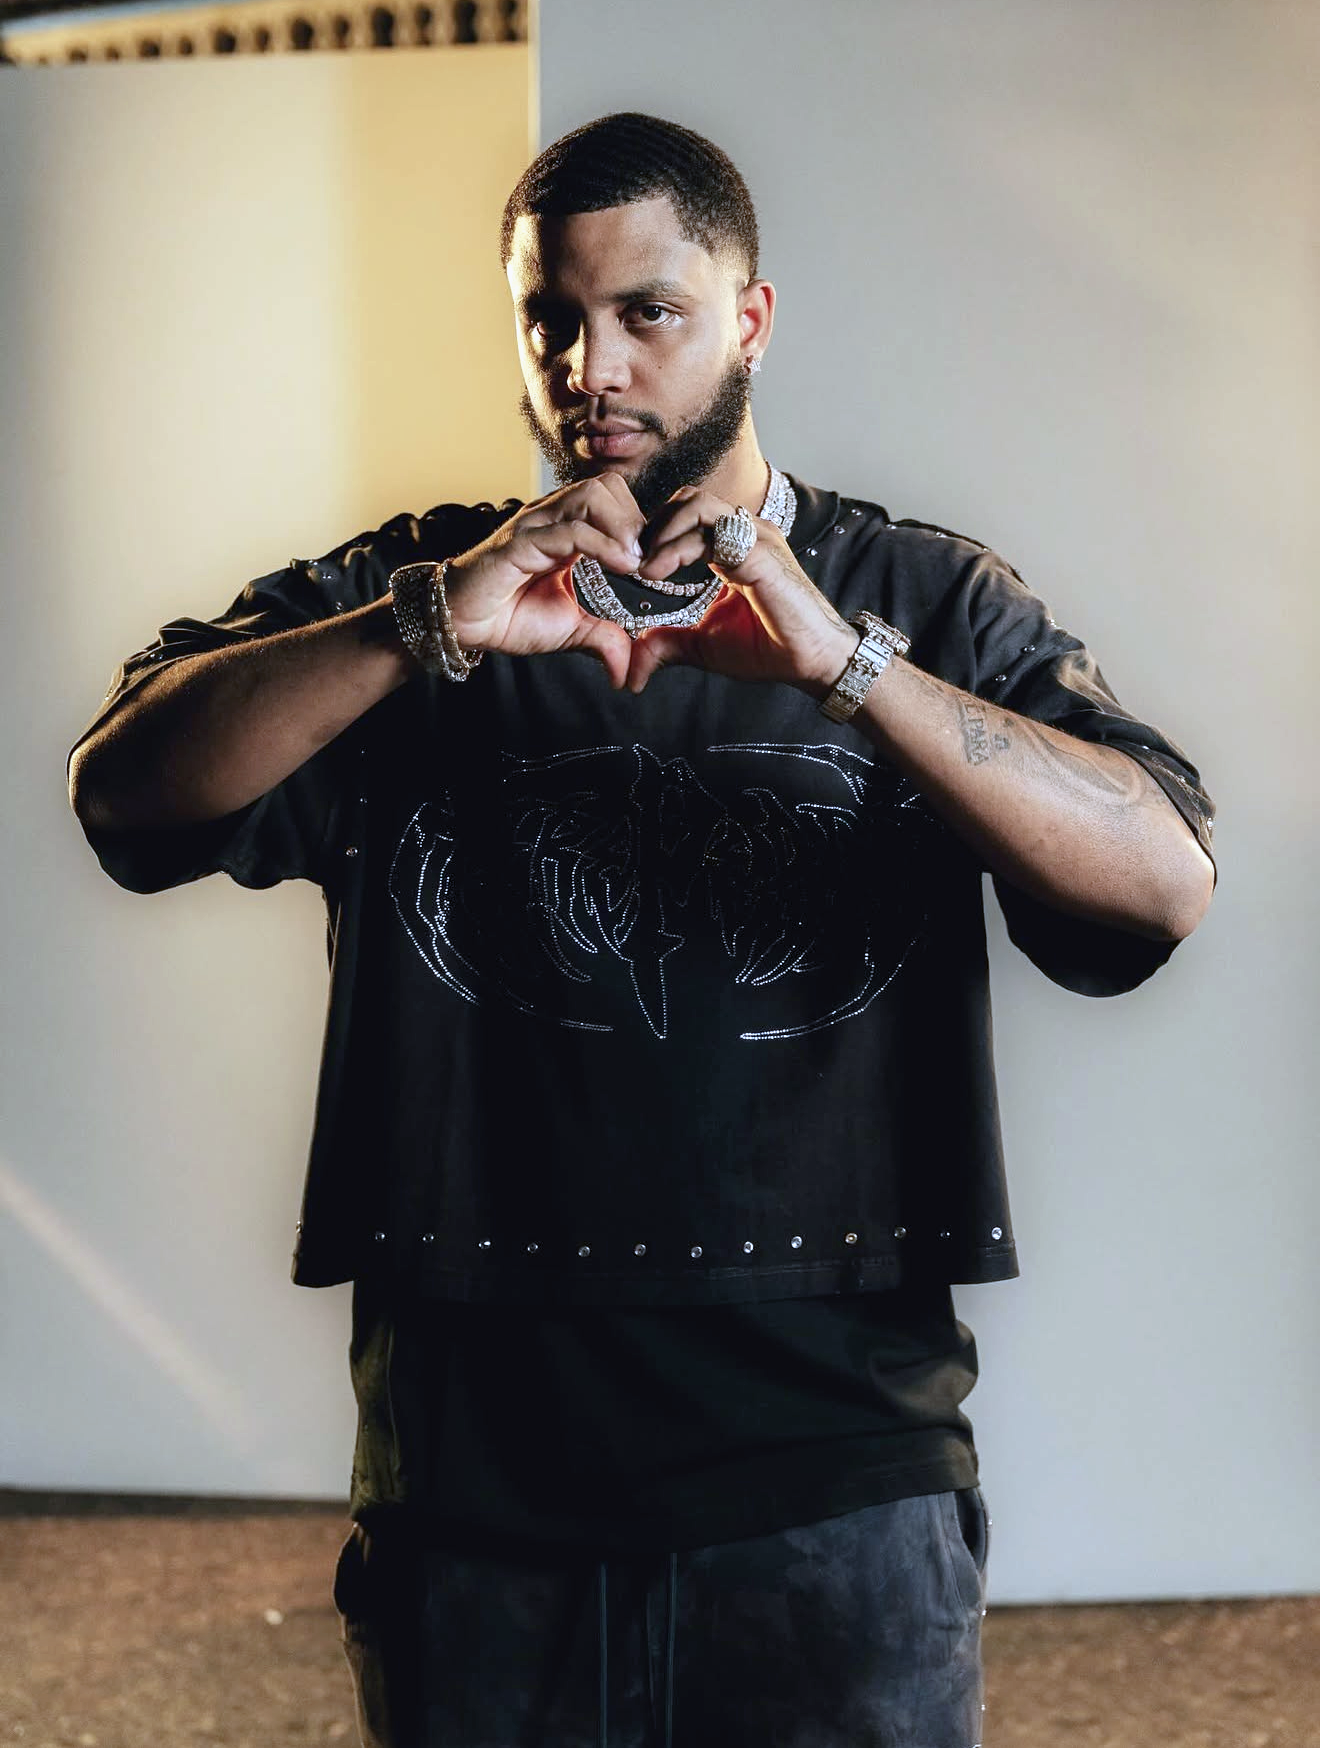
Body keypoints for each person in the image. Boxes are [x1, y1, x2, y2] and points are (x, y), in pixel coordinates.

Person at [68, 112, 1215, 1748]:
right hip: (476, 1486)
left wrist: (849, 670)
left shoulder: (922, 597)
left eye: (646, 313)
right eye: (550, 318)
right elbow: (125, 793)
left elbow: (1164, 876)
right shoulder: (418, 592)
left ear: (750, 319)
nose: (588, 368)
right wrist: (419, 626)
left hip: (837, 1478)